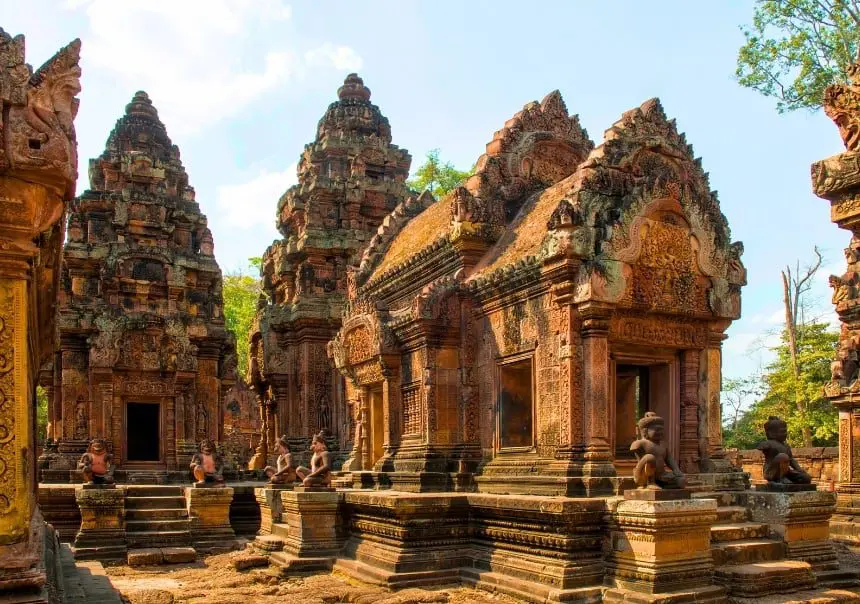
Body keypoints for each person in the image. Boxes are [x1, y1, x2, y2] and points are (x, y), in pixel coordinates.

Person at [630, 412, 686, 489]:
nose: (660, 432)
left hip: (661, 474)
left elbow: (670, 459)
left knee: (681, 481)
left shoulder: (663, 445)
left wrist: (677, 470)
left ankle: (662, 484)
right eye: (657, 430)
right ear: (645, 431)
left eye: (661, 430)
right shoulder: (640, 443)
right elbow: (642, 461)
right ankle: (650, 482)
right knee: (649, 457)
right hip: (643, 475)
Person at [759, 416, 812, 485]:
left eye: (785, 431)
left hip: (787, 473)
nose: (785, 434)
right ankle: (779, 479)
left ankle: (785, 478)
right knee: (783, 456)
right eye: (782, 431)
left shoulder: (786, 446)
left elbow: (791, 460)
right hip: (772, 472)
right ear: (771, 433)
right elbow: (762, 447)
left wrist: (799, 469)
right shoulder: (769, 443)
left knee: (806, 478)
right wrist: (765, 447)